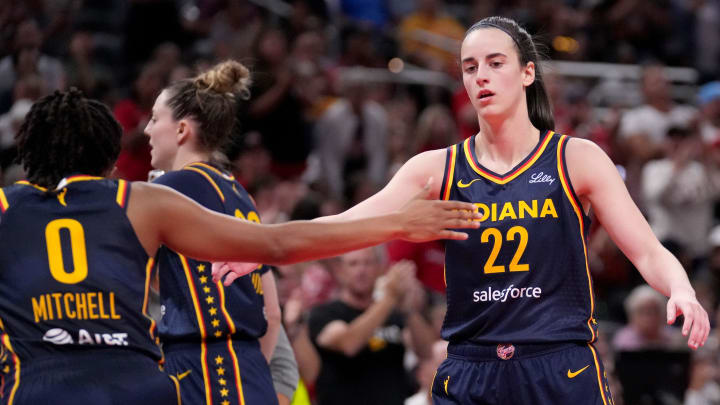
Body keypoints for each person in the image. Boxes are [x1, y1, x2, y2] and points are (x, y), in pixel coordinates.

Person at [212, 16, 711, 405]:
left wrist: (682, 288)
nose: (482, 77)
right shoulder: (437, 167)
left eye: (496, 63)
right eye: (470, 68)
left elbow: (646, 249)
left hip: (559, 366)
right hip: (471, 367)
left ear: (527, 72)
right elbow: (348, 225)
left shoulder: (574, 157)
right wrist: (262, 250)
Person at [0, 88, 481, 404]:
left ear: (28, 156)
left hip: (37, 386)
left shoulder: (5, 208)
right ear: (109, 160)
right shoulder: (140, 201)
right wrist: (396, 223)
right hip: (134, 385)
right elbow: (279, 243)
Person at [143, 60, 283, 405]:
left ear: (181, 130)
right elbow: (274, 312)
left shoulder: (167, 191)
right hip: (249, 368)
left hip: (205, 367)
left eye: (154, 118)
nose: (146, 130)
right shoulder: (240, 193)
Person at [308, 249, 433, 405]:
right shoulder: (325, 313)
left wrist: (408, 310)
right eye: (353, 264)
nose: (361, 270)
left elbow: (426, 352)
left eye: (368, 263)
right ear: (340, 270)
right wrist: (390, 297)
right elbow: (348, 344)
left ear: (380, 269)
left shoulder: (392, 313)